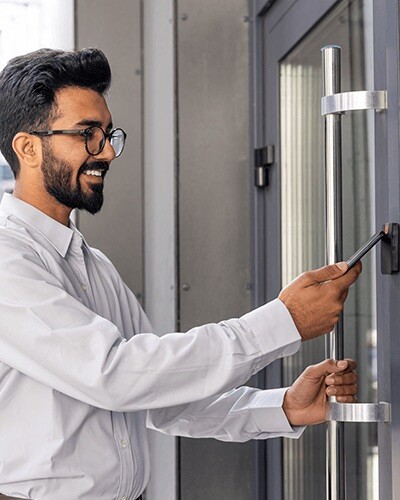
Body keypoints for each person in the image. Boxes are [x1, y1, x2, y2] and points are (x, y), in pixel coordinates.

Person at [0, 48, 360, 500]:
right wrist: (281, 322)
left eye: (109, 134)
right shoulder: (7, 260)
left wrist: (284, 406)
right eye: (87, 134)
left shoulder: (94, 266)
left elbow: (158, 394)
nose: (107, 152)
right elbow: (114, 375)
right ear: (28, 147)